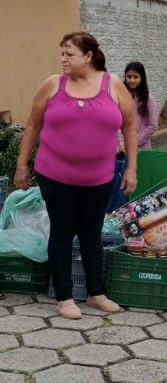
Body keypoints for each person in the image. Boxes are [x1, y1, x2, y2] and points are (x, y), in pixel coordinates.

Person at [13, 31, 137, 320]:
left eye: (69, 54)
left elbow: (129, 129)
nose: (63, 59)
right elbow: (32, 125)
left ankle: (96, 294)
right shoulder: (53, 84)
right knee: (62, 232)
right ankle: (65, 297)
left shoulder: (114, 85)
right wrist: (22, 165)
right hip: (55, 175)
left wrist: (131, 168)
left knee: (92, 234)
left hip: (99, 177)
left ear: (89, 56)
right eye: (62, 54)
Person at [123, 62, 158, 151]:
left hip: (141, 148)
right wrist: (119, 142)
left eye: (136, 77)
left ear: (142, 77)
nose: (132, 80)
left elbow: (153, 125)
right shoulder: (120, 96)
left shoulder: (149, 99)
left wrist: (136, 140)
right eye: (129, 76)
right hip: (121, 147)